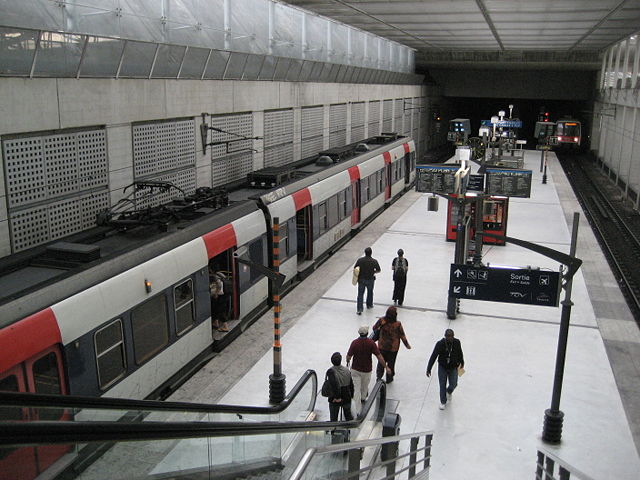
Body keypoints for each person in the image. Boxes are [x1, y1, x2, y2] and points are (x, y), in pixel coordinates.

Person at [346, 325, 392, 412]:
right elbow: (379, 356)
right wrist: (386, 367)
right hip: (367, 370)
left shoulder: (354, 343)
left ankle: (358, 409)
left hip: (355, 369)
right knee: (364, 387)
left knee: (356, 388)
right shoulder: (371, 343)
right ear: (367, 333)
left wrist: (347, 360)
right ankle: (363, 399)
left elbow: (349, 356)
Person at [426, 329, 465, 410]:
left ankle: (449, 391)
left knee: (454, 384)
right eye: (448, 336)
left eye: (451, 336)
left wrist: (462, 363)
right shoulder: (440, 344)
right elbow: (434, 356)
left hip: (453, 367)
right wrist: (429, 368)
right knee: (442, 385)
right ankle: (443, 401)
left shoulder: (457, 342)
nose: (450, 338)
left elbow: (460, 353)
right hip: (442, 367)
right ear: (445, 336)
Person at [372, 306, 411, 383]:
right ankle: (389, 378)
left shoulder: (382, 320)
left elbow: (374, 328)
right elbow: (402, 335)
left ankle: (379, 376)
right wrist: (407, 345)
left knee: (381, 362)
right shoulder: (398, 324)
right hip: (393, 348)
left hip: (382, 346)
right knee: (391, 363)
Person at [325, 352, 354, 422]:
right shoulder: (347, 370)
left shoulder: (330, 371)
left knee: (333, 417)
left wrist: (337, 398)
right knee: (348, 415)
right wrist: (351, 395)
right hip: (346, 395)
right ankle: (348, 429)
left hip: (334, 398)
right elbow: (351, 384)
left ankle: (333, 429)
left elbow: (334, 386)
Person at [354, 247, 381, 315]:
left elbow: (355, 268)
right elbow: (378, 270)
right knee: (370, 292)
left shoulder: (360, 260)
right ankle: (369, 305)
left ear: (365, 252)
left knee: (360, 294)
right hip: (370, 279)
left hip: (361, 279)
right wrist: (373, 272)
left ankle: (359, 309)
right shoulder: (374, 261)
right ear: (371, 253)